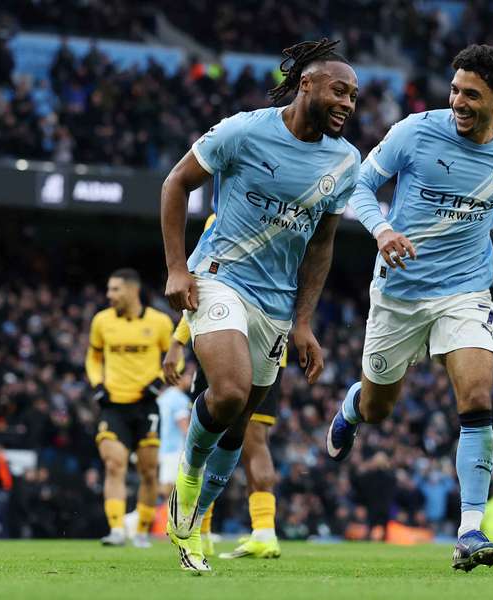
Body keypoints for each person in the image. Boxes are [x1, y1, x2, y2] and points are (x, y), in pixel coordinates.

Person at [326, 44, 493, 572]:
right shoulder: (415, 132)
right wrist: (382, 229)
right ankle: (354, 405)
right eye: (455, 90)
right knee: (380, 409)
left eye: (472, 95)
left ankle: (469, 530)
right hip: (399, 291)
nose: (458, 101)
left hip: (466, 290)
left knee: (477, 397)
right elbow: (360, 186)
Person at [160, 38, 360, 572]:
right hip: (221, 279)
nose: (347, 103)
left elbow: (321, 245)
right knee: (227, 394)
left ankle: (195, 515)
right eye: (339, 90)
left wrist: (304, 323)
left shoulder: (345, 161)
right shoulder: (244, 130)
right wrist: (178, 268)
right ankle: (184, 490)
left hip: (275, 306)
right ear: (306, 85)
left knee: (240, 420)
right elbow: (177, 183)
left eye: (355, 97)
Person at [163, 305, 285, 560]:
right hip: (271, 347)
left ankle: (201, 531)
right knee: (256, 441)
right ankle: (264, 532)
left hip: (224, 343)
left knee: (208, 433)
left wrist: (177, 341)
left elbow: (205, 291)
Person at [84, 268, 174, 548]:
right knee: (114, 465)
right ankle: (117, 528)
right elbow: (93, 357)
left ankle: (142, 531)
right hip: (113, 405)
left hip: (145, 405)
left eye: (115, 290)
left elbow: (175, 359)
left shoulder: (159, 322)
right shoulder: (101, 321)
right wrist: (97, 383)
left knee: (148, 472)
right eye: (109, 289)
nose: (109, 295)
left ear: (132, 290)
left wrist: (159, 383)